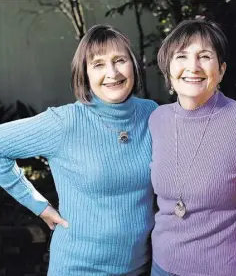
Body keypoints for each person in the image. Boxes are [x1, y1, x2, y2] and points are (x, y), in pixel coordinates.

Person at [0, 24, 157, 276]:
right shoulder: (64, 122)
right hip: (80, 268)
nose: (112, 72)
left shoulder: (151, 113)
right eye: (98, 64)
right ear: (84, 73)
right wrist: (38, 205)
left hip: (138, 267)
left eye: (120, 60)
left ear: (134, 65)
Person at [149, 19, 236, 276]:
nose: (193, 67)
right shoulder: (157, 120)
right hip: (161, 266)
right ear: (168, 69)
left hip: (222, 270)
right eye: (181, 56)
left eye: (204, 56)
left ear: (222, 70)